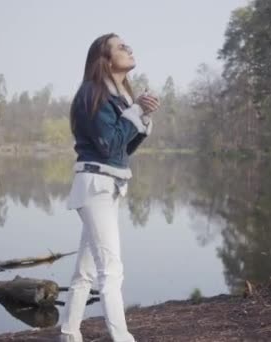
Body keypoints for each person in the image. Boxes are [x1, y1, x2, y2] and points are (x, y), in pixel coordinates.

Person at [59, 33, 160, 342]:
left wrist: (142, 115)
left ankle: (68, 332)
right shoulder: (92, 92)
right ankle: (121, 337)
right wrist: (134, 113)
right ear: (104, 59)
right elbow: (107, 145)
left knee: (86, 270)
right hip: (96, 186)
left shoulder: (117, 96)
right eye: (120, 46)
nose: (129, 48)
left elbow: (121, 151)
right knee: (111, 270)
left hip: (108, 185)